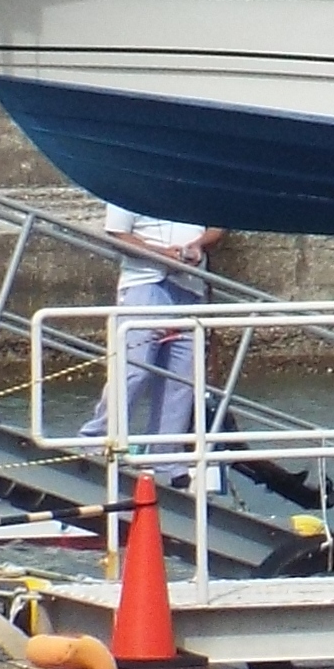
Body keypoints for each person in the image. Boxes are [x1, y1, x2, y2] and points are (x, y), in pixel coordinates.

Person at [87, 204, 217, 477]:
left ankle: (165, 457)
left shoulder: (197, 180)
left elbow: (219, 223)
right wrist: (162, 254)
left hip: (189, 286)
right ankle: (96, 437)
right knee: (135, 369)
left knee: (181, 380)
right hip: (145, 283)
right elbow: (118, 234)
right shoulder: (129, 184)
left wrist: (197, 245)